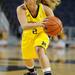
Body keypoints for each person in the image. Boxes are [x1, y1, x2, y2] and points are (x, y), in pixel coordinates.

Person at [17, 0, 55, 75]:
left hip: (42, 33)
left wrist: (55, 29)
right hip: (28, 35)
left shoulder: (46, 9)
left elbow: (54, 23)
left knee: (39, 49)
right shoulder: (21, 9)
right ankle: (32, 72)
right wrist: (39, 23)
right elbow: (24, 26)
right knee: (27, 58)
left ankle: (48, 73)